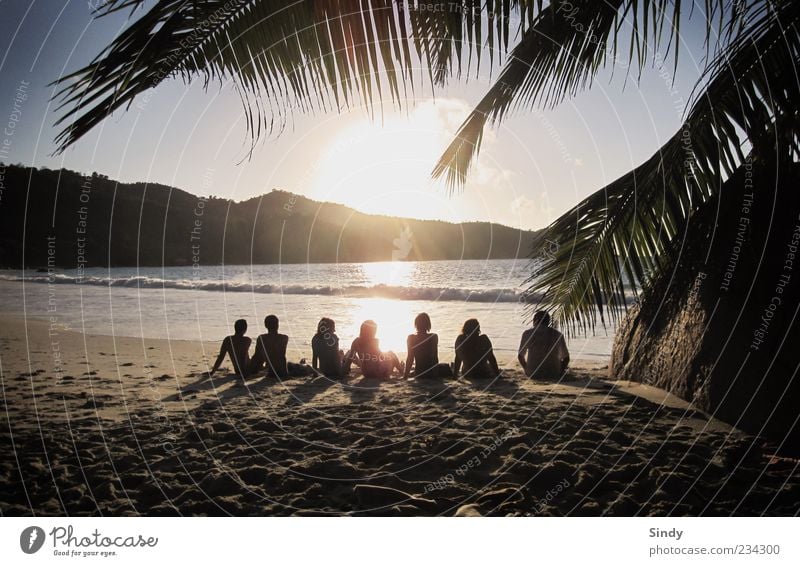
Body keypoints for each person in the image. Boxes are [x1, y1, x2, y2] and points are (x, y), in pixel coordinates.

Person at [518, 310, 570, 380]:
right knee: (561, 362)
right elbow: (566, 358)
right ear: (548, 321)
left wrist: (526, 369)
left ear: (535, 321)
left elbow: (520, 356)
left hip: (533, 373)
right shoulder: (558, 335)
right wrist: (560, 371)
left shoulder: (527, 333)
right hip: (554, 374)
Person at [404, 312, 449, 378]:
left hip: (418, 372)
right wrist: (436, 376)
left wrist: (405, 376)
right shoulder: (433, 337)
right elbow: (434, 357)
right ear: (428, 324)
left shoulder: (411, 338)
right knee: (446, 367)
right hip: (430, 373)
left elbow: (410, 358)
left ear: (416, 325)